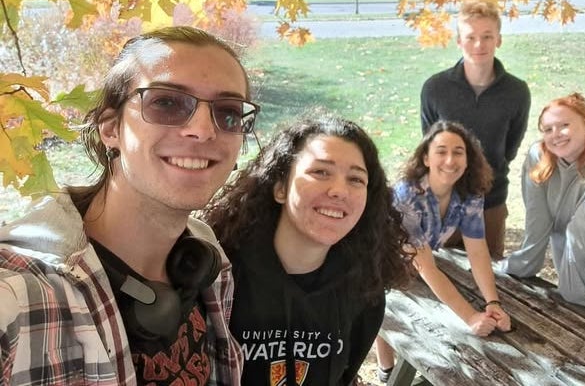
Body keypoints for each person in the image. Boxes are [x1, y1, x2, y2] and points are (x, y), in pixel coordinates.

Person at [0, 26, 258, 384]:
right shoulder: (17, 296)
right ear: (110, 129)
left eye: (228, 111)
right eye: (166, 102)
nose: (203, 129)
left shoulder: (207, 260)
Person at [200, 113, 413, 386]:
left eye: (356, 179)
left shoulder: (363, 289)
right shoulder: (219, 276)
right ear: (280, 187)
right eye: (320, 172)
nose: (339, 190)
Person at [374, 121, 512, 382]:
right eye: (441, 151)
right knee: (384, 305)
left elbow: (478, 251)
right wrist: (471, 317)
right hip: (381, 262)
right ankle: (387, 371)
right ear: (426, 158)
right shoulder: (407, 196)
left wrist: (493, 303)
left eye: (458, 151)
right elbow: (426, 267)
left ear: (468, 159)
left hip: (417, 263)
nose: (450, 159)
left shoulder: (469, 193)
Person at [500, 93, 585, 320]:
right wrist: (523, 264)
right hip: (566, 244)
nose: (555, 135)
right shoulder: (537, 156)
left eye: (564, 125)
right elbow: (537, 217)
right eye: (548, 129)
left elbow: (584, 232)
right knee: (574, 316)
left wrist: (570, 292)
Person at [420, 0, 531, 260]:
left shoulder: (516, 92)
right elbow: (430, 147)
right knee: (443, 272)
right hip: (444, 202)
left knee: (489, 275)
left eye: (487, 36)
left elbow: (510, 147)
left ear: (499, 40)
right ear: (459, 41)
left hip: (490, 202)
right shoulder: (435, 89)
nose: (479, 45)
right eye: (470, 37)